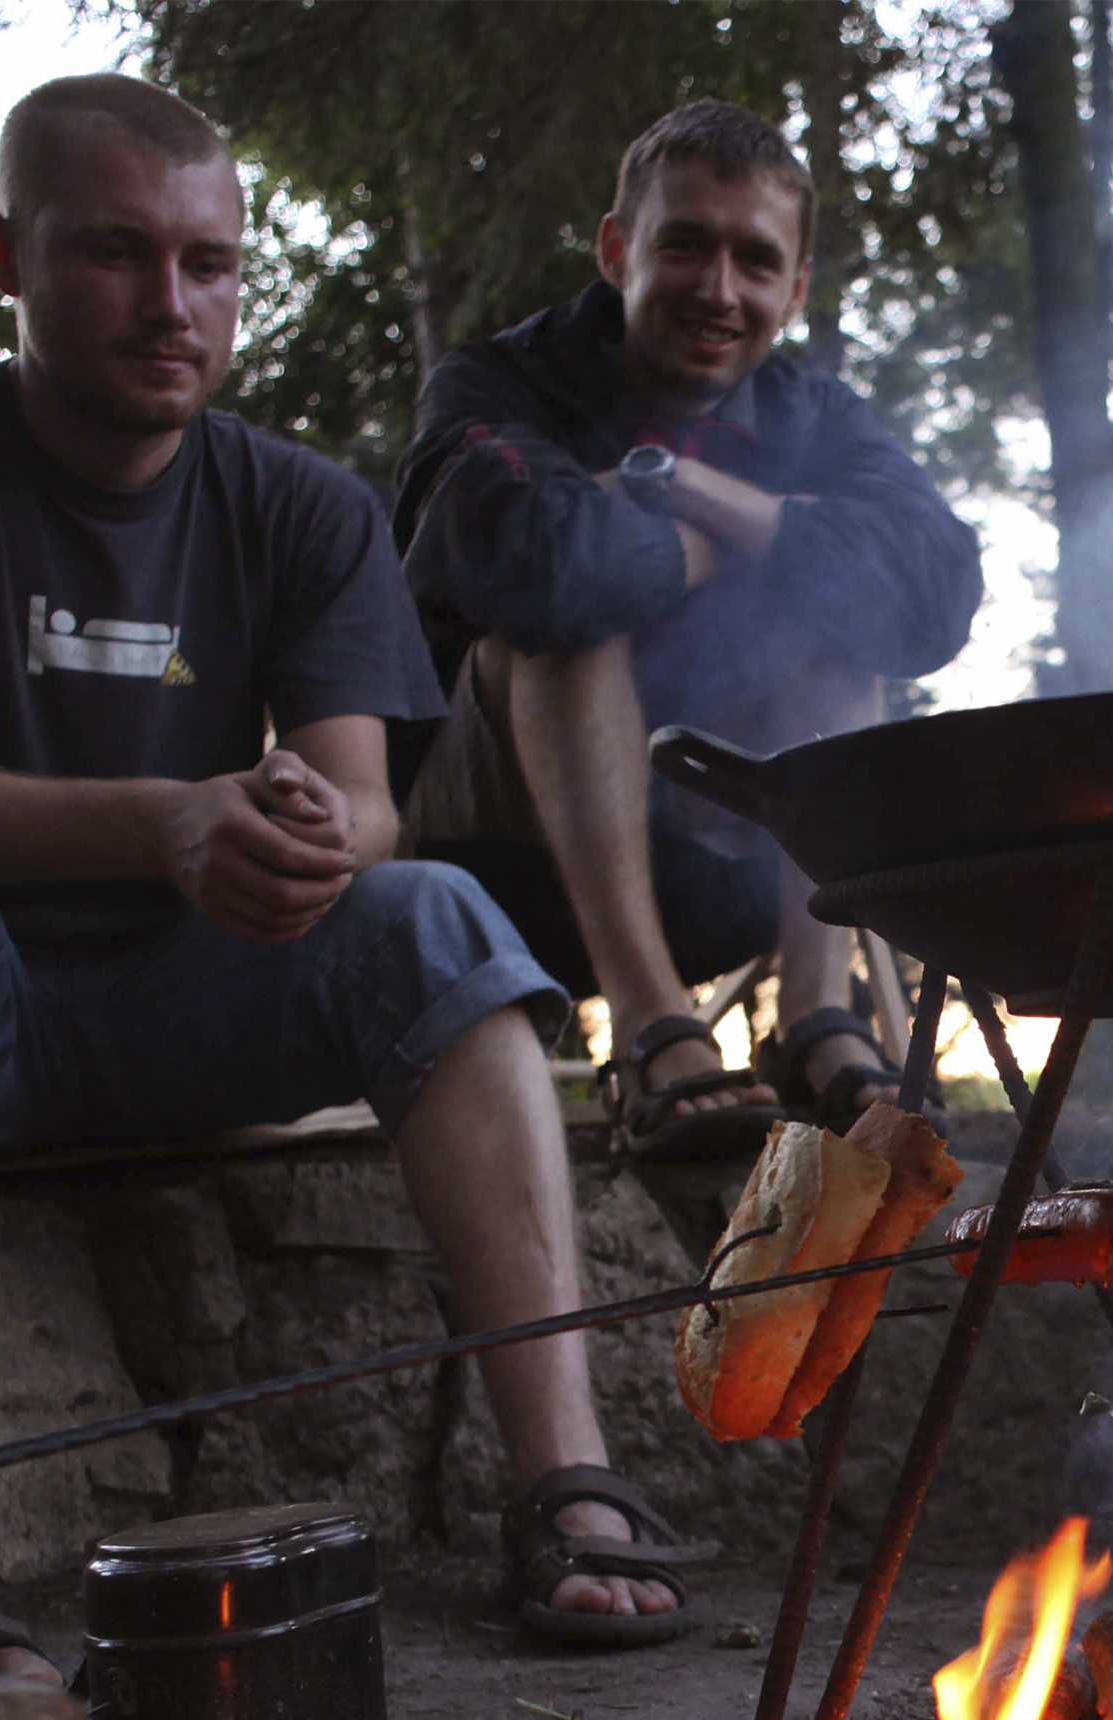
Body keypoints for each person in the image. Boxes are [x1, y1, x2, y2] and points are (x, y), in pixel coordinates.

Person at [0, 75, 718, 1670]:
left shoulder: (301, 503)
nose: (172, 305)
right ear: (3, 255)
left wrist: (301, 830)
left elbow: (368, 808)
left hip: (199, 1000)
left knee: (438, 912)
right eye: (116, 253)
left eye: (209, 263)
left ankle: (568, 1485)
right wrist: (167, 821)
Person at [393, 101, 981, 1153]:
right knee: (575, 630)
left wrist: (690, 494)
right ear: (617, 249)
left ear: (795, 289)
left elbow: (931, 596)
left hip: (720, 860)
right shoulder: (499, 382)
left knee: (841, 631)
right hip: (490, 850)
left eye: (755, 261)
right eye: (684, 246)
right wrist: (768, 539)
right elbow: (549, 572)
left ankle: (817, 1013)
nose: (718, 289)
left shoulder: (816, 416)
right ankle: (652, 1031)